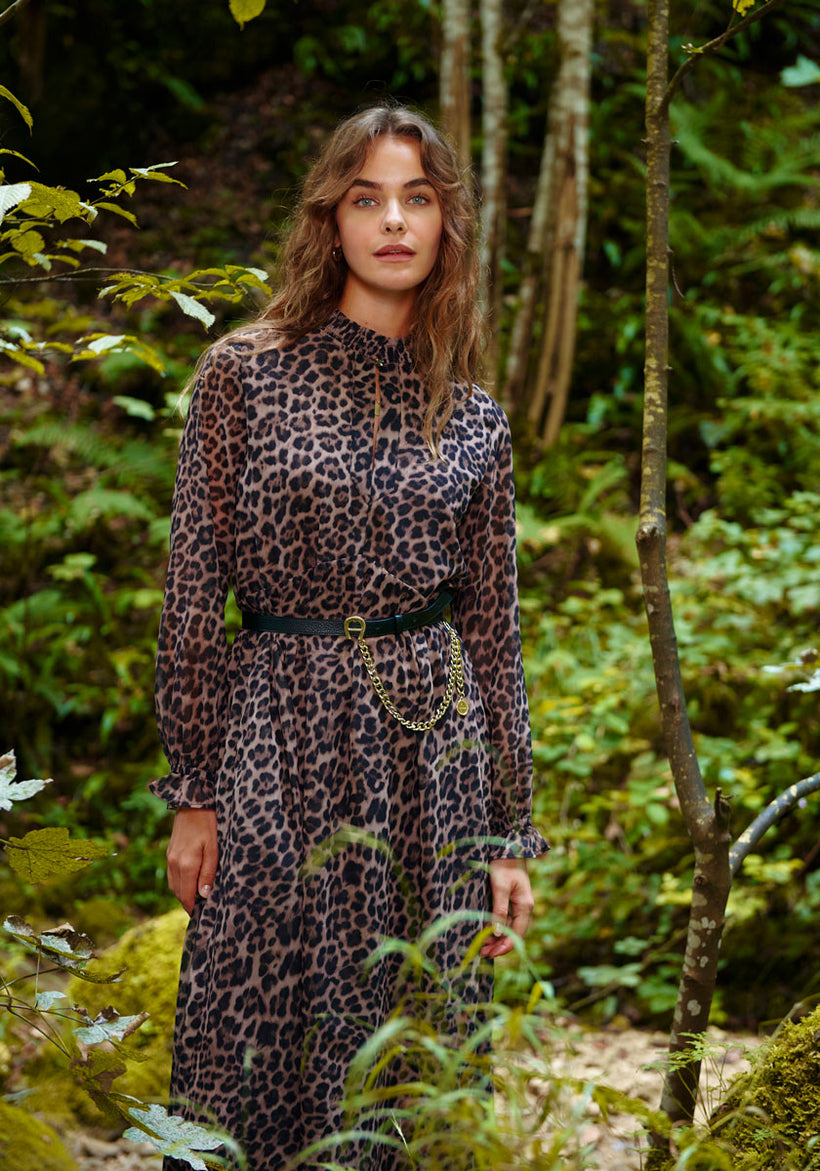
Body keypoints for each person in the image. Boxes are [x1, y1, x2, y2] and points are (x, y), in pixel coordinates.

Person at [151, 103, 548, 1171]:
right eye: (367, 197)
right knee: (246, 1011)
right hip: (277, 720)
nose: (393, 221)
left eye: (417, 198)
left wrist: (511, 831)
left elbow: (494, 633)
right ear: (332, 219)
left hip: (430, 748)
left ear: (445, 225)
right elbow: (193, 586)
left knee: (407, 1023)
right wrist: (193, 787)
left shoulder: (473, 420)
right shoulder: (246, 373)